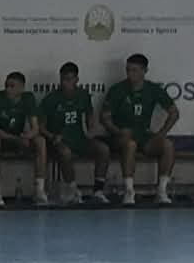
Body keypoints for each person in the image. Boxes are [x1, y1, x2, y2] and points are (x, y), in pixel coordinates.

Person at [102, 53, 180, 206]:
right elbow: (104, 117)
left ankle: (161, 191)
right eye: (128, 70)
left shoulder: (153, 89)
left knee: (167, 145)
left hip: (144, 135)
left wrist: (162, 133)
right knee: (130, 144)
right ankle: (129, 191)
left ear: (144, 71)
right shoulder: (117, 89)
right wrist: (117, 131)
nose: (130, 74)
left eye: (134, 70)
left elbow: (174, 113)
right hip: (121, 136)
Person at [40, 63, 107, 206]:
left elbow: (89, 115)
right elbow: (41, 126)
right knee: (65, 152)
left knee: (103, 149)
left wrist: (91, 129)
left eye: (69, 79)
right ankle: (73, 189)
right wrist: (52, 136)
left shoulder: (83, 95)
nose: (66, 83)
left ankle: (98, 191)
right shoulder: (51, 99)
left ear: (76, 79)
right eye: (63, 79)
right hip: (58, 140)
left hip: (78, 138)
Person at [0, 71, 47, 208]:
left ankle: (39, 190)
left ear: (21, 88)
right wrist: (17, 139)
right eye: (6, 85)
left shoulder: (28, 98)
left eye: (12, 86)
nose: (8, 89)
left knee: (40, 141)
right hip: (1, 136)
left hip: (17, 136)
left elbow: (35, 128)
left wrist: (27, 136)